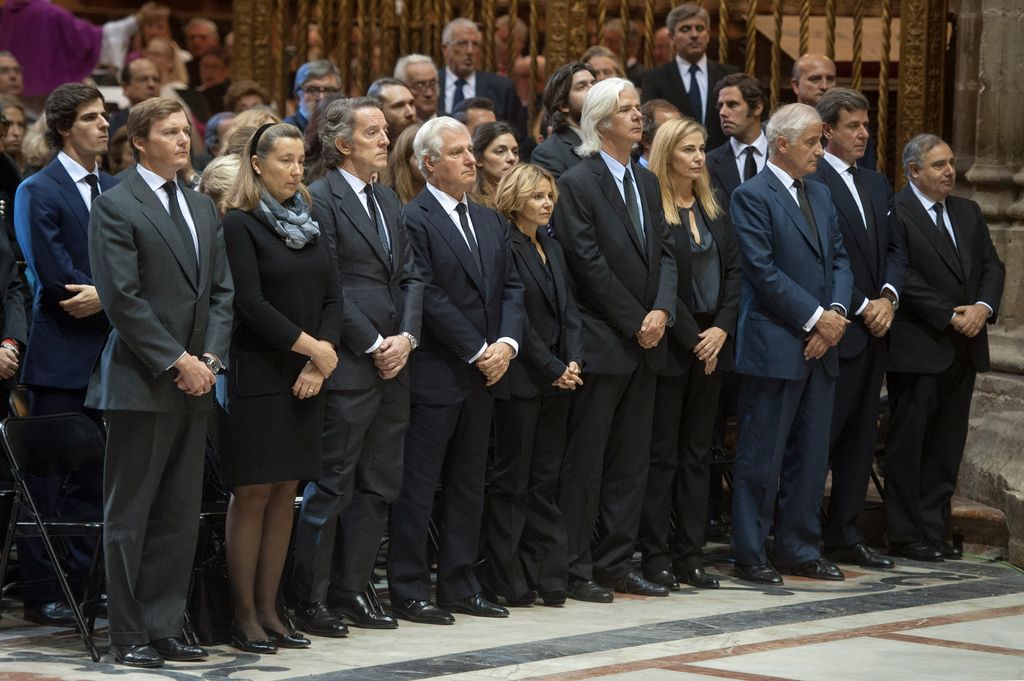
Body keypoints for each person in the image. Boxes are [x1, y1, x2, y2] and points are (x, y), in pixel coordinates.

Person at [86, 96, 234, 668]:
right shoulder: (116, 205)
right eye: (169, 132)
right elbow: (122, 300)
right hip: (143, 381)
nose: (182, 140)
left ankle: (165, 624)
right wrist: (178, 360)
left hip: (199, 379)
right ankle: (128, 633)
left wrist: (211, 361)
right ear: (138, 142)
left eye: (185, 130)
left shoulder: (199, 206)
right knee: (133, 511)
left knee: (177, 510)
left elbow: (221, 292)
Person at [292, 97, 423, 633]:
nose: (386, 140)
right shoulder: (319, 198)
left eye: (386, 132)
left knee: (378, 485)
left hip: (395, 363)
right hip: (349, 362)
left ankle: (352, 589)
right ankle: (310, 597)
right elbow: (330, 285)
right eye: (373, 132)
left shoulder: (389, 198)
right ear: (342, 144)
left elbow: (412, 276)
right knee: (334, 484)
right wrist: (373, 343)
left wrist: (407, 338)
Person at [387, 117, 524, 625]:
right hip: (438, 370)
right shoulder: (413, 217)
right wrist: (478, 348)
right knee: (419, 487)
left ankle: (460, 585)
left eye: (471, 150)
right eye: (458, 152)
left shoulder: (488, 219)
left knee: (470, 483)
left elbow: (512, 287)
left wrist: (507, 344)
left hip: (486, 372)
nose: (471, 159)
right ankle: (407, 587)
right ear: (428, 164)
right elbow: (426, 292)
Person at [551, 77, 677, 603]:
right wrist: (636, 319)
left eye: (637, 110)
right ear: (601, 122)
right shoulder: (578, 182)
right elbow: (587, 263)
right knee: (587, 462)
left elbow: (666, 251)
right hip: (605, 340)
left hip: (647, 339)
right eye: (627, 110)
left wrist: (663, 310)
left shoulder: (647, 181)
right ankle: (575, 566)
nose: (637, 117)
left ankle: (617, 564)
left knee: (631, 463)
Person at [219, 122, 340, 652]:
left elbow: (334, 296)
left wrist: (320, 362)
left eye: (299, 161)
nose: (295, 170)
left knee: (287, 492)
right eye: (285, 161)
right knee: (253, 494)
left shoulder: (310, 221)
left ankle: (272, 609)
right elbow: (251, 303)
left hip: (306, 378)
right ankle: (243, 614)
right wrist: (310, 348)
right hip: (260, 372)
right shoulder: (240, 224)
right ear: (257, 164)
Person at [728, 103, 853, 586]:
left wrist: (837, 315)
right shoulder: (751, 195)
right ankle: (750, 551)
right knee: (763, 454)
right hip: (777, 343)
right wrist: (817, 319)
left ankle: (799, 547)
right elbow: (761, 270)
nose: (821, 152)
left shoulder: (820, 194)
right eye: (812, 143)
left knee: (811, 453)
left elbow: (840, 259)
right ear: (781, 144)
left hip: (823, 342)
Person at [12, 84, 115, 626]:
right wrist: (116, 298)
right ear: (61, 127)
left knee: (98, 480)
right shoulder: (38, 188)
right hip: (61, 356)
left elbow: (135, 270)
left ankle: (90, 586)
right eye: (91, 118)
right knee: (50, 481)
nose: (104, 125)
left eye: (106, 116)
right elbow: (55, 280)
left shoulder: (116, 188)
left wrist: (113, 299)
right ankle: (42, 591)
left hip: (113, 352)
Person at [885, 134, 1004, 561]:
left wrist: (983, 308)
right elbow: (902, 274)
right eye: (938, 165)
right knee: (909, 442)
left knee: (946, 445)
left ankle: (935, 530)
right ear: (914, 171)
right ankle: (903, 533)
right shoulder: (897, 211)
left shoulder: (968, 211)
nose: (949, 171)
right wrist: (951, 313)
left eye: (951, 163)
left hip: (965, 347)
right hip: (920, 344)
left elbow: (993, 265)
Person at [638, 117, 741, 591]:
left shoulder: (715, 207)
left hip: (713, 343)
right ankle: (656, 554)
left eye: (702, 149)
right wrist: (694, 336)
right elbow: (662, 283)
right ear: (667, 155)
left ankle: (690, 554)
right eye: (689, 151)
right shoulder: (655, 208)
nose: (700, 158)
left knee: (699, 454)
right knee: (662, 456)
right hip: (676, 344)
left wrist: (720, 329)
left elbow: (737, 273)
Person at [806, 88, 905, 569]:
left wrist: (889, 297)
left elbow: (894, 250)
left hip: (877, 330)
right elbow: (824, 259)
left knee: (861, 440)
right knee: (819, 439)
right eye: (853, 126)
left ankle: (845, 534)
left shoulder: (876, 182)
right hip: (839, 327)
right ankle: (799, 535)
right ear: (827, 130)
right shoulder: (813, 178)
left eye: (866, 125)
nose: (864, 133)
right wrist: (864, 304)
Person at [483, 163, 582, 607]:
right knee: (512, 481)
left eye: (550, 196)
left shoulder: (552, 245)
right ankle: (508, 577)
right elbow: (516, 316)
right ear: (515, 198)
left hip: (559, 377)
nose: (547, 204)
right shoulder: (505, 243)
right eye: (538, 196)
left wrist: (573, 359)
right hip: (523, 377)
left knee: (545, 478)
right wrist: (551, 365)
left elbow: (570, 310)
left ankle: (549, 574)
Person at [641, 3, 738, 151]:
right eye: (685, 29)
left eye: (699, 28)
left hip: (721, 162)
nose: (694, 35)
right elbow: (651, 125)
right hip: (674, 159)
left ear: (708, 33)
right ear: (672, 37)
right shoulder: (654, 78)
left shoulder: (729, 75)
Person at [437, 18, 522, 127]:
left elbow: (517, 135)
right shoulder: (432, 84)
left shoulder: (502, 88)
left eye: (475, 44)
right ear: (445, 48)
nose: (470, 51)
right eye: (462, 43)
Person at [530, 61, 595, 180]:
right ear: (563, 105)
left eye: (594, 83)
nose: (593, 89)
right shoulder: (548, 153)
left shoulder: (611, 140)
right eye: (581, 86)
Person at [706, 73, 767, 198]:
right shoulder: (708, 164)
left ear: (757, 108)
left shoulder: (785, 155)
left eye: (732, 105)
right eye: (720, 106)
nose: (722, 113)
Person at [285, 60, 343, 133]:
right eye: (312, 90)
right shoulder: (285, 132)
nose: (321, 97)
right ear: (298, 97)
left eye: (329, 90)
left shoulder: (345, 130)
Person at [109, 58, 162, 137]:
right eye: (143, 79)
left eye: (156, 79)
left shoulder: (173, 119)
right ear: (126, 88)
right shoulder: (112, 123)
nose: (152, 84)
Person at [471, 121, 519, 208]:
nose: (512, 158)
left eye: (515, 152)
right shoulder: (468, 203)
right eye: (500, 151)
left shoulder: (525, 198)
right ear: (478, 159)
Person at [385, 122, 424, 203]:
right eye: (420, 156)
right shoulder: (388, 200)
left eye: (434, 155)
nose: (429, 163)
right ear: (405, 161)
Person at [637, 99, 681, 168]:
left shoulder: (686, 176)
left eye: (681, 131)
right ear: (645, 141)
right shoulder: (633, 177)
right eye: (670, 132)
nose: (680, 138)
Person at [394, 54, 439, 121]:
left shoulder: (452, 124)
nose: (429, 93)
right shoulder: (392, 128)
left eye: (432, 84)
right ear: (402, 88)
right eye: (419, 86)